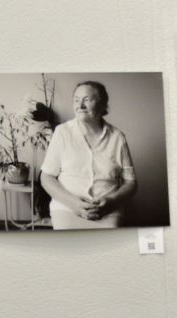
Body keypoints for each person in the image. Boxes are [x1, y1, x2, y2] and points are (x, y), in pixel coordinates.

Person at [40, 80, 137, 229]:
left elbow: (130, 183)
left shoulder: (118, 137)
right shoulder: (62, 132)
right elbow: (46, 177)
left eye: (87, 100)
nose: (80, 106)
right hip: (67, 207)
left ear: (103, 104)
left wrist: (112, 201)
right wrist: (75, 204)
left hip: (108, 210)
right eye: (76, 100)